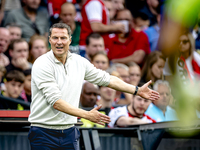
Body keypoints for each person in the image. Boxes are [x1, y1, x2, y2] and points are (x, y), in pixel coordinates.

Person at [28, 23, 159, 150]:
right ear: (49, 40)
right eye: (55, 38)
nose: (59, 42)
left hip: (69, 131)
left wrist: (136, 90)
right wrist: (86, 114)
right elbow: (56, 102)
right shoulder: (42, 64)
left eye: (63, 38)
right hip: (43, 131)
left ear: (70, 40)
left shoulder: (79, 61)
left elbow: (107, 79)